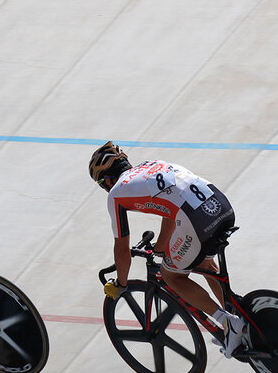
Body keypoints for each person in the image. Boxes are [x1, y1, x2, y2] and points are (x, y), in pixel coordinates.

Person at [89, 141, 247, 357]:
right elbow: (169, 212)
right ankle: (241, 317)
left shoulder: (116, 194)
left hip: (196, 220)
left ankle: (228, 322)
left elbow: (122, 247)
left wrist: (121, 283)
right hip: (221, 205)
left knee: (171, 275)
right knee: (203, 262)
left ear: (107, 179)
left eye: (101, 183)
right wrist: (162, 248)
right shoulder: (153, 164)